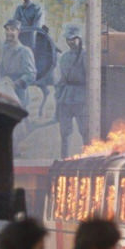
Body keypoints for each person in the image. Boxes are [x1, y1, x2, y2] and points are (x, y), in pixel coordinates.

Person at [55, 24, 88, 158]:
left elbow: (90, 78)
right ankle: (65, 159)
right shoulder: (64, 57)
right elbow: (62, 78)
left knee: (85, 131)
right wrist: (58, 96)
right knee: (64, 132)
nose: (71, 42)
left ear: (79, 39)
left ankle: (88, 157)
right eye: (68, 39)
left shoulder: (86, 55)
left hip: (81, 96)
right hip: (66, 97)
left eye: (73, 39)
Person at [0, 19, 37, 106]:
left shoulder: (25, 51)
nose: (9, 32)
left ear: (18, 32)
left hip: (19, 93)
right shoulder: (3, 49)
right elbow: (0, 68)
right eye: (7, 29)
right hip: (4, 90)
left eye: (12, 29)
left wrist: (16, 84)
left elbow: (31, 74)